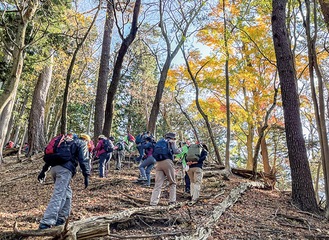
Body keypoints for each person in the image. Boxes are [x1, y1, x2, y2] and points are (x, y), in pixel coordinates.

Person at [37, 133, 90, 229]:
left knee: (67, 193)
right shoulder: (81, 143)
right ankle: (46, 222)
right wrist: (86, 175)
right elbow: (84, 159)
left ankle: (62, 219)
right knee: (59, 194)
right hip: (65, 170)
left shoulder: (66, 142)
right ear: (86, 140)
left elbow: (53, 156)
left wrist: (43, 171)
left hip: (54, 169)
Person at [150, 132, 181, 206]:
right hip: (167, 161)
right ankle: (172, 201)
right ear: (172, 138)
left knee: (158, 184)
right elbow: (176, 151)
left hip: (158, 163)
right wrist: (181, 149)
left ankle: (153, 202)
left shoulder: (160, 141)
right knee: (172, 183)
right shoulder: (171, 142)